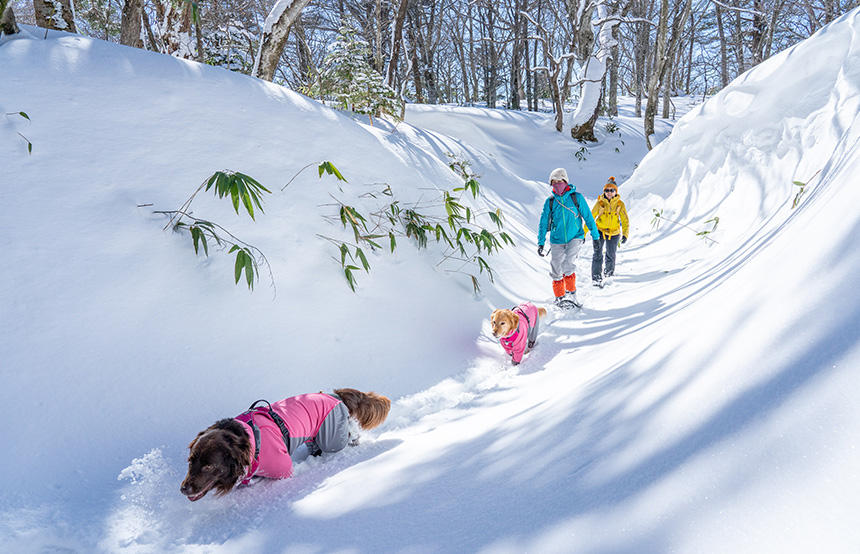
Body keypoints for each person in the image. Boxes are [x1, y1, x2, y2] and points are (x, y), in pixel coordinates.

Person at [537, 168, 599, 307]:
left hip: (575, 236)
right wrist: (541, 242)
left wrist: (595, 237)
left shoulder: (576, 198)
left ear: (565, 182)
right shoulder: (550, 202)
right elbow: (543, 222)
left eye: (560, 181)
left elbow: (588, 217)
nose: (557, 184)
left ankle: (571, 295)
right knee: (556, 268)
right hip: (556, 239)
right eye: (554, 182)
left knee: (568, 265)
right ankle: (559, 296)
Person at [585, 176, 629, 286]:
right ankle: (596, 277)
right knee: (597, 254)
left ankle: (608, 275)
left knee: (611, 254)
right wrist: (583, 233)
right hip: (599, 231)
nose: (609, 192)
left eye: (612, 190)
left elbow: (625, 220)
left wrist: (625, 234)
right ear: (604, 191)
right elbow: (591, 218)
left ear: (616, 192)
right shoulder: (600, 203)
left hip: (614, 233)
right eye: (607, 190)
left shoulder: (620, 204)